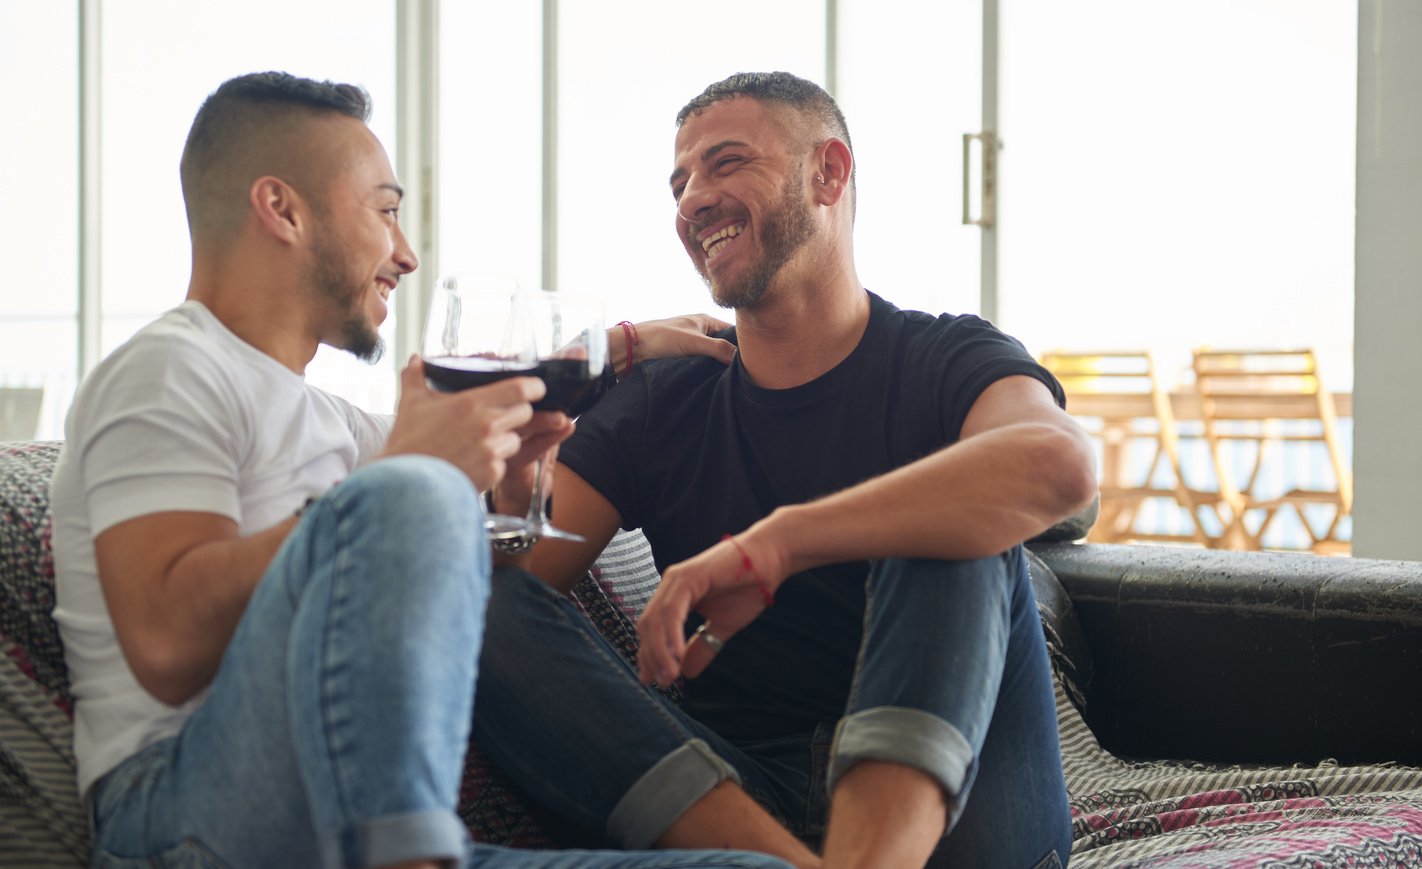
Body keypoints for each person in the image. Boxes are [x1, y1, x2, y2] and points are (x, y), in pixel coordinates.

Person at [49, 70, 789, 869]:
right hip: (186, 811)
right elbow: (163, 644)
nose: (404, 254)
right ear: (282, 208)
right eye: (386, 210)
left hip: (354, 819)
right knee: (407, 489)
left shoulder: (336, 422)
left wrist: (513, 495)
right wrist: (405, 473)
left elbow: (480, 575)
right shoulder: (168, 370)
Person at [473, 72, 1097, 868]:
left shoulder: (948, 357)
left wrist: (783, 541)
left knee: (951, 515)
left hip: (962, 808)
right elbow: (500, 595)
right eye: (680, 182)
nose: (693, 199)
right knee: (477, 597)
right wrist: (515, 501)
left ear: (828, 172)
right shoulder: (665, 397)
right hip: (734, 803)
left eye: (726, 163)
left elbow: (1059, 466)